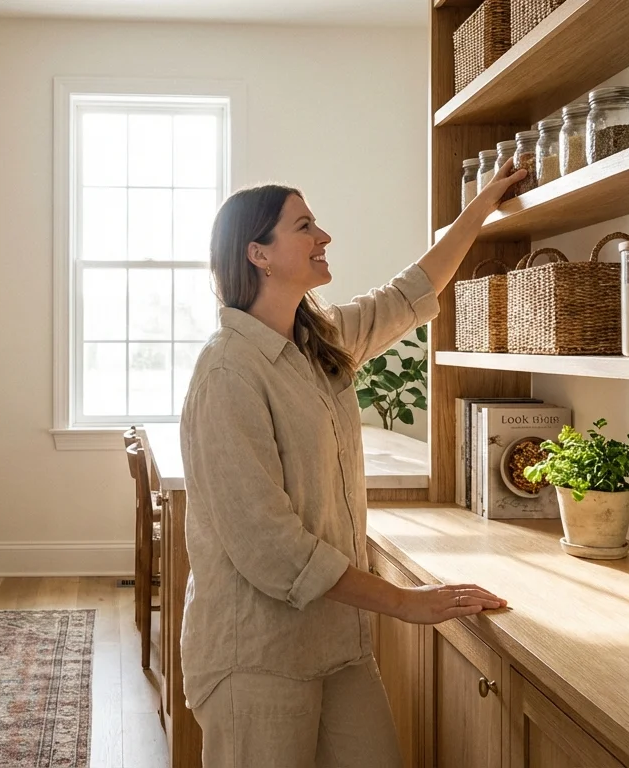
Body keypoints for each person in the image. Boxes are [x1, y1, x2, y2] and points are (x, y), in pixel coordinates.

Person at [179, 159, 525, 768]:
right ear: (258, 254)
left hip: (337, 642)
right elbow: (271, 547)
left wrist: (483, 207)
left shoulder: (319, 343)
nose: (324, 237)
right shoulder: (228, 372)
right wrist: (406, 601)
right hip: (257, 657)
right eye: (305, 225)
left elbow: (408, 293)